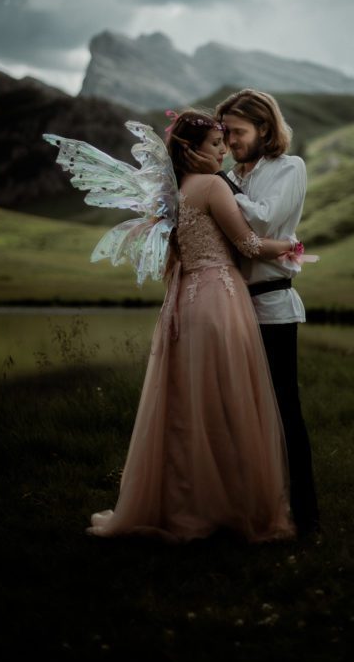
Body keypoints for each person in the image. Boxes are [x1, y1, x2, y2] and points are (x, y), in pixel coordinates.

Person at [86, 109, 299, 544]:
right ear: (192, 151)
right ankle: (227, 505)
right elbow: (249, 244)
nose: (223, 152)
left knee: (187, 405)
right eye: (216, 145)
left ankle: (182, 502)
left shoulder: (175, 192)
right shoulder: (211, 186)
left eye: (225, 144)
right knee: (225, 402)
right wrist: (291, 245)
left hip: (183, 300)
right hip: (219, 299)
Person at [187, 89, 319, 536]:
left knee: (284, 409)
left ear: (265, 128)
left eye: (238, 132)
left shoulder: (289, 168)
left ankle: (305, 513)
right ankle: (249, 506)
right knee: (238, 411)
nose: (231, 142)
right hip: (231, 307)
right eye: (225, 133)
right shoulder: (230, 174)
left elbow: (262, 222)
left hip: (274, 306)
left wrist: (221, 188)